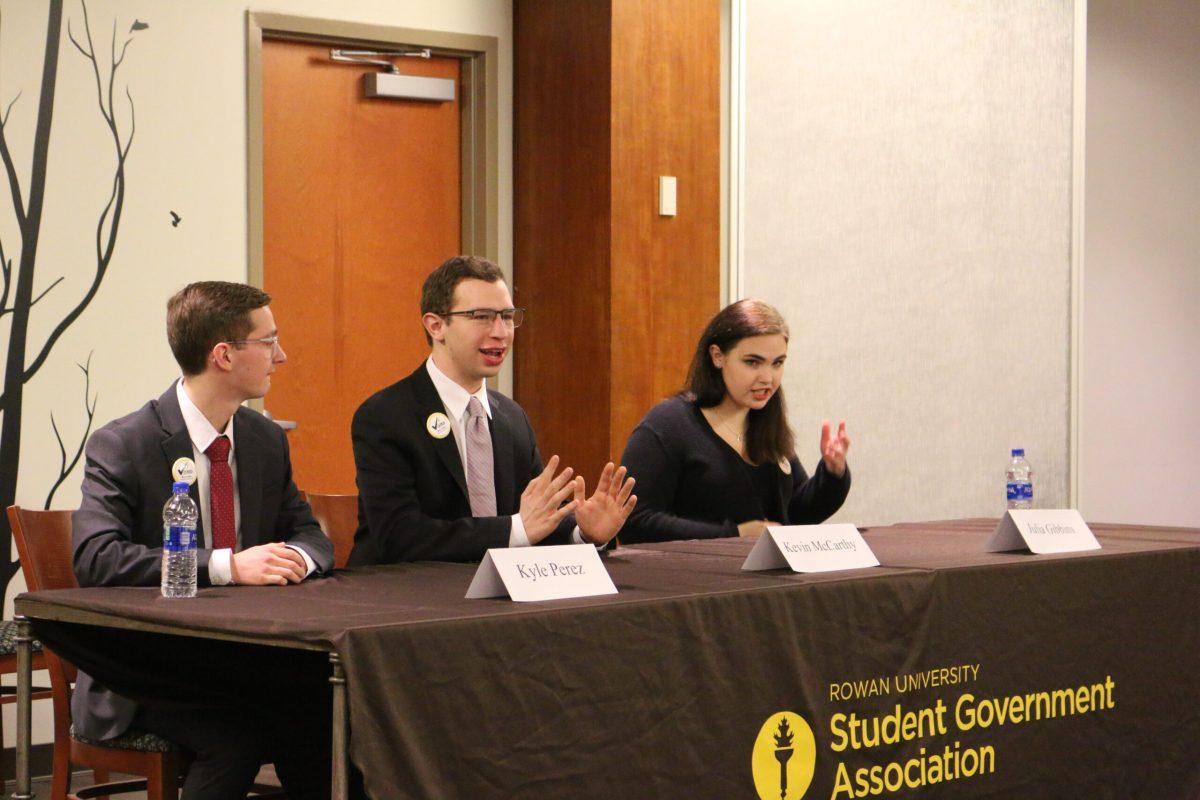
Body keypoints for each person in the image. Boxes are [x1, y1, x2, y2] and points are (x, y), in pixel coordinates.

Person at [72, 281, 335, 800]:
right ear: (223, 355)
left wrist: (297, 558)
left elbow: (307, 531)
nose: (281, 356)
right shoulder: (125, 442)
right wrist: (228, 567)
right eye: (269, 342)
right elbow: (96, 558)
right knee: (234, 741)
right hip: (149, 668)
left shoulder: (263, 439)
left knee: (325, 723)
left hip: (247, 658)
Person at [348, 255, 636, 565]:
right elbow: (400, 537)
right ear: (436, 326)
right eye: (482, 316)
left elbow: (538, 524)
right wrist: (514, 529)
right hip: (400, 600)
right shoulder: (385, 416)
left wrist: (584, 534)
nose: (501, 332)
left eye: (507, 316)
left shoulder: (511, 418)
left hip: (496, 600)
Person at [618, 299, 850, 543]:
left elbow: (795, 514)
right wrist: (735, 534)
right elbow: (635, 521)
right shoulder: (668, 424)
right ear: (717, 356)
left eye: (777, 363)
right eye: (753, 362)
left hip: (766, 579)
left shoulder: (765, 421)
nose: (768, 378)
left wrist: (832, 474)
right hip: (692, 577)